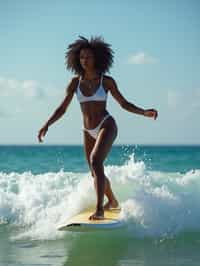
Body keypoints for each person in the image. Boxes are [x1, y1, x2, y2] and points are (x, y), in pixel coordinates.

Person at [38, 35, 158, 220]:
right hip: (87, 131)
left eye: (88, 57)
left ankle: (100, 210)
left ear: (97, 58)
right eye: (82, 57)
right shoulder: (74, 83)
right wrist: (47, 124)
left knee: (96, 161)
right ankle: (113, 201)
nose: (85, 60)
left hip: (106, 125)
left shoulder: (106, 81)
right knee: (94, 171)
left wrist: (144, 112)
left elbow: (124, 103)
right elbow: (62, 108)